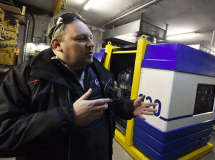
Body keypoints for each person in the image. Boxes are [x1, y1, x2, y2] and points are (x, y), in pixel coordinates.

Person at [0, 12, 157, 160]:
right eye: (81, 39)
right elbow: (4, 134)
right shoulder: (26, 77)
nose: (91, 44)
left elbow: (109, 103)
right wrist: (68, 116)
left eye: (90, 37)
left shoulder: (99, 71)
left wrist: (128, 107)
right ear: (57, 44)